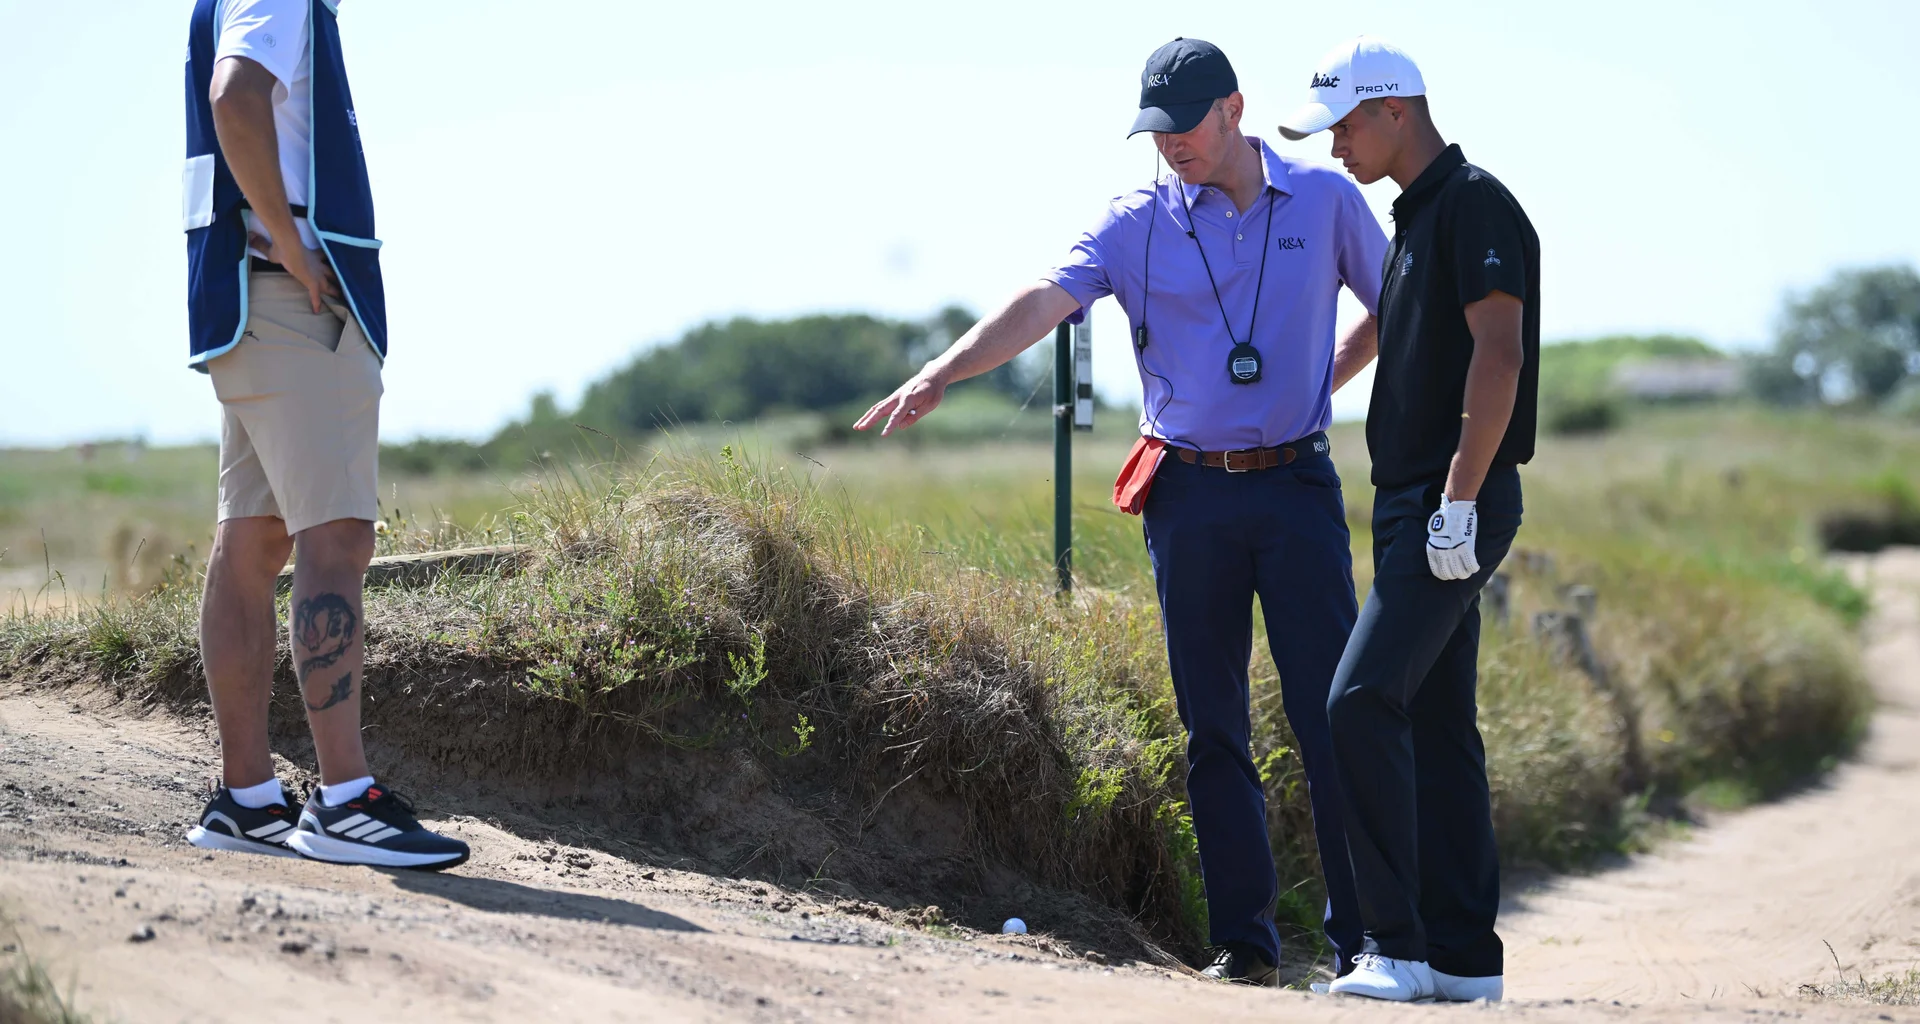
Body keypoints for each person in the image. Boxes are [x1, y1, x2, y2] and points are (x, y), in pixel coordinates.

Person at [856, 38, 1388, 985]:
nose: (1169, 146)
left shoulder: (1325, 199)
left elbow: (1396, 302)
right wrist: (942, 372)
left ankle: (1365, 944)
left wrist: (1329, 378)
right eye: (1155, 132)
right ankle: (1246, 946)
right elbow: (1043, 300)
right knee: (1212, 725)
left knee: (1328, 716)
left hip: (1298, 488)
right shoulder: (1134, 221)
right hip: (1185, 494)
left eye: (1184, 126)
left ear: (1232, 109)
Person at [1275, 36, 1540, 1002]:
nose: (1335, 145)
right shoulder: (1418, 217)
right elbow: (1390, 327)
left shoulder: (1474, 204)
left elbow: (1498, 355)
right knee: (1436, 724)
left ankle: (1395, 944)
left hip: (1449, 501)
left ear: (1395, 110)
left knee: (1358, 702)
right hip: (1416, 504)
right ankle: (1464, 961)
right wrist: (1312, 391)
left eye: (1344, 124)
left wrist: (1460, 500)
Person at [179, 0, 467, 870]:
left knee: (252, 543)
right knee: (334, 539)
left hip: (245, 303)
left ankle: (248, 800)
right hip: (294, 299)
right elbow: (236, 97)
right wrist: (300, 253)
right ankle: (344, 802)